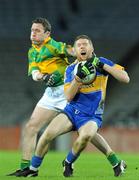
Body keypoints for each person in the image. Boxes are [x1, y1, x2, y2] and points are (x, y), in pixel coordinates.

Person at [15, 35, 130, 177]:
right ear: (75, 50)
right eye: (79, 45)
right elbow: (69, 97)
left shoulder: (102, 63)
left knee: (86, 136)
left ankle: (68, 161)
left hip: (91, 115)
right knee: (46, 135)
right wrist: (77, 79)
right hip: (71, 112)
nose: (82, 47)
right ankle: (33, 169)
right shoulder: (71, 69)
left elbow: (125, 78)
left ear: (92, 48)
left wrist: (101, 65)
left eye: (85, 44)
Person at [7, 17, 75, 176]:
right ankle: (26, 168)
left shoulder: (53, 45)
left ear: (47, 34)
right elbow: (35, 74)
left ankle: (114, 160)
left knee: (86, 131)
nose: (33, 34)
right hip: (51, 94)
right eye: (32, 30)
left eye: (37, 31)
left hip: (67, 92)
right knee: (31, 127)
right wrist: (43, 77)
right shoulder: (32, 51)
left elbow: (71, 51)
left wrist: (80, 52)